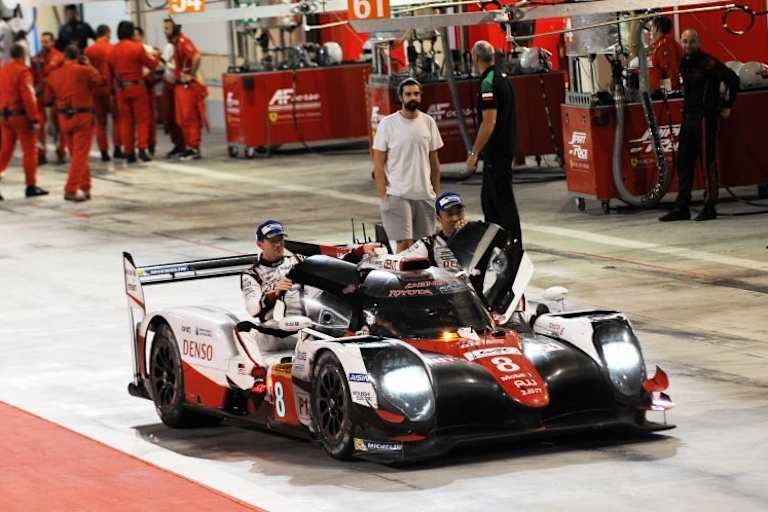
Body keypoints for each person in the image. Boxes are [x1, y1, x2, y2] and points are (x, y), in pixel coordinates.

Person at [659, 29, 739, 222]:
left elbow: (733, 80)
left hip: (705, 118)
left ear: (698, 42)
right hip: (688, 118)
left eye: (692, 42)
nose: (688, 45)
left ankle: (710, 206)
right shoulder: (683, 62)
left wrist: (727, 106)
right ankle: (682, 207)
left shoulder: (708, 62)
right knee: (684, 163)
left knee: (707, 162)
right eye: (685, 41)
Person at [372, 77, 443, 252]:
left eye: (416, 94)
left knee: (424, 247)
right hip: (397, 194)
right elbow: (378, 163)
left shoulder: (428, 122)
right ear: (401, 97)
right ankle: (401, 279)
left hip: (424, 195)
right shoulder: (388, 124)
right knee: (404, 245)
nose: (413, 97)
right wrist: (384, 196)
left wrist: (435, 192)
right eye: (409, 94)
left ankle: (420, 280)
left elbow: (434, 162)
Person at [466, 40, 523, 248]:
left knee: (501, 201)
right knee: (490, 201)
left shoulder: (488, 83)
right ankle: (497, 244)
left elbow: (489, 123)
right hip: (504, 149)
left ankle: (513, 245)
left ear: (475, 57)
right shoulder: (503, 78)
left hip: (496, 152)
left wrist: (474, 153)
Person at [46, 45, 103, 202]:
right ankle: (70, 189)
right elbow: (99, 80)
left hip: (64, 118)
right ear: (78, 56)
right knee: (80, 155)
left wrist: (51, 122)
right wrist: (88, 64)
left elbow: (48, 100)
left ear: (64, 56)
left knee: (76, 155)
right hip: (82, 116)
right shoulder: (84, 70)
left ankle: (85, 187)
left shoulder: (54, 75)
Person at [0, 44, 48, 200]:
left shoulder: (3, 70)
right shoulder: (23, 71)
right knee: (29, 151)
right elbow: (28, 96)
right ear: (23, 55)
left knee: (5, 151)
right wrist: (34, 118)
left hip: (5, 116)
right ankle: (31, 186)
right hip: (20, 117)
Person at [110, 20, 158, 163]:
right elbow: (152, 64)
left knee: (125, 121)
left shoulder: (112, 51)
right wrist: (156, 55)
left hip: (121, 89)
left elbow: (109, 73)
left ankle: (129, 152)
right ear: (131, 33)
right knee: (142, 120)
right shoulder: (137, 48)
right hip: (137, 87)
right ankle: (142, 149)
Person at [164, 18, 206, 161]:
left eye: (167, 28)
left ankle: (194, 148)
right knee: (182, 119)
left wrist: (191, 74)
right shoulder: (176, 44)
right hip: (180, 86)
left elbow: (196, 56)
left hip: (186, 86)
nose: (165, 32)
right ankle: (190, 146)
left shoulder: (183, 42)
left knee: (189, 118)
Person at [398, 191, 466, 271]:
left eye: (459, 213)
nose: (455, 218)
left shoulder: (478, 237)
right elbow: (399, 261)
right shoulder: (429, 244)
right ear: (439, 218)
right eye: (450, 214)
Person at [85, 24, 121, 162]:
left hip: (95, 90)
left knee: (100, 122)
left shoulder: (88, 50)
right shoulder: (112, 49)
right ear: (107, 33)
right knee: (117, 119)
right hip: (110, 88)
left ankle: (104, 152)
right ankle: (118, 149)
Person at [32, 32, 65, 165]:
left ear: (53, 42)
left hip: (56, 96)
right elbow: (32, 76)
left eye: (46, 41)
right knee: (40, 128)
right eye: (42, 41)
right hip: (40, 97)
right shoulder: (35, 59)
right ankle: (41, 154)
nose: (44, 44)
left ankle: (61, 152)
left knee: (59, 126)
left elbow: (64, 76)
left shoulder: (60, 57)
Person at [133, 26, 158, 156]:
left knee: (149, 118)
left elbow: (153, 64)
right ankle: (138, 146)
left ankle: (150, 144)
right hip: (136, 86)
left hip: (147, 86)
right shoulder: (131, 49)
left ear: (141, 36)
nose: (134, 37)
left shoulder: (148, 49)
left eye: (136, 35)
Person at [160, 39, 184, 158]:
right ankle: (177, 144)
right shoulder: (169, 47)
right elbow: (162, 62)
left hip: (179, 85)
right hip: (168, 84)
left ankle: (185, 145)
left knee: (181, 116)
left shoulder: (183, 46)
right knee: (169, 116)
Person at [649, 16, 682, 94]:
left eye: (652, 27)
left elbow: (670, 72)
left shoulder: (664, 46)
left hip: (664, 95)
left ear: (657, 28)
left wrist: (668, 92)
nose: (650, 31)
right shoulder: (665, 43)